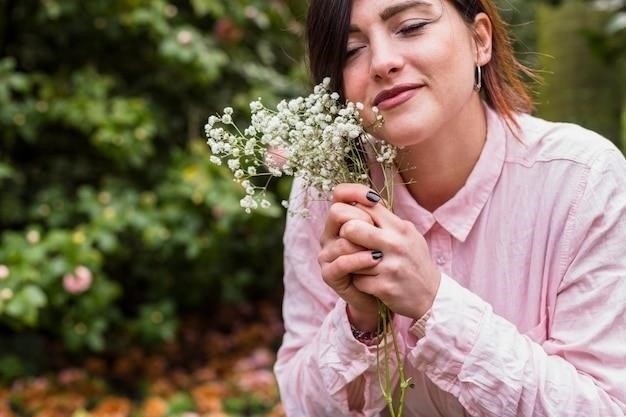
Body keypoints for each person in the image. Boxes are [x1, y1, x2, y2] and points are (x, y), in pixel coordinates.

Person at [273, 0, 626, 416]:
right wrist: (361, 322)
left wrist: (433, 304)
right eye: (352, 50)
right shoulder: (329, 191)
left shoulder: (582, 181)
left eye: (411, 26)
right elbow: (301, 403)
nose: (383, 63)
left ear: (480, 39)